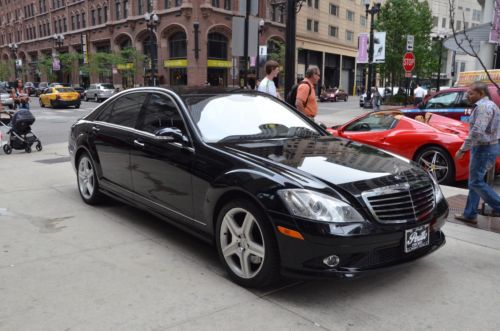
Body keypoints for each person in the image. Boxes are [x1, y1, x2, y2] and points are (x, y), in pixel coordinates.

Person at [454, 82, 500, 223]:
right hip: (486, 146)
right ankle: (470, 214)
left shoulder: (484, 107)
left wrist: (463, 149)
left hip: (483, 148)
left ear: (481, 93)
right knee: (475, 181)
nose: (468, 95)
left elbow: (477, 131)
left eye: (471, 93)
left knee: (475, 182)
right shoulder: (491, 105)